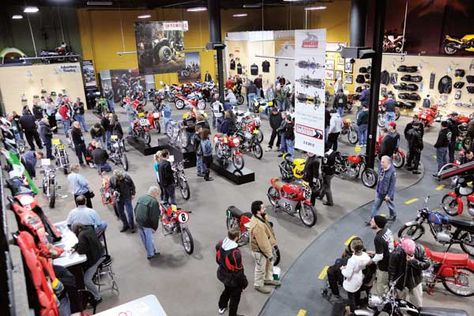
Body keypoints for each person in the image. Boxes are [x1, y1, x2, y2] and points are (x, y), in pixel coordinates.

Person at [249, 201, 280, 294]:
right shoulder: (258, 226)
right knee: (260, 268)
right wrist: (269, 254)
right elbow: (263, 243)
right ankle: (258, 285)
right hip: (260, 251)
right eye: (262, 208)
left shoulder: (262, 216)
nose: (265, 208)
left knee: (269, 265)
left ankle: (267, 279)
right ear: (258, 211)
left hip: (265, 249)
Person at [388, 238, 430, 307]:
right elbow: (391, 269)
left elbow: (427, 264)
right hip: (400, 282)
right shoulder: (396, 253)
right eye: (409, 253)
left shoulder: (420, 249)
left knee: (418, 303)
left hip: (415, 281)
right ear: (404, 250)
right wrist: (391, 283)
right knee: (397, 303)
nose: (411, 254)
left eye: (412, 253)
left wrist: (413, 261)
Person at [216, 227, 248, 316]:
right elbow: (239, 272)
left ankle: (221, 306)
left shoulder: (221, 244)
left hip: (222, 274)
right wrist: (244, 283)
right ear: (237, 237)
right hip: (233, 280)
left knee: (227, 290)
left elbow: (218, 260)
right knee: (235, 298)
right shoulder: (235, 253)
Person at [71, 223, 104, 304]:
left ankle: (97, 297)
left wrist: (76, 249)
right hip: (100, 254)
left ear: (78, 229)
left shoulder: (81, 235)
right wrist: (75, 246)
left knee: (86, 280)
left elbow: (81, 250)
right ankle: (92, 294)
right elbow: (82, 244)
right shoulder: (89, 229)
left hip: (95, 259)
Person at [341, 238, 371, 313]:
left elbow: (347, 274)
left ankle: (353, 311)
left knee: (351, 297)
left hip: (352, 282)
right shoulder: (365, 256)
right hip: (359, 277)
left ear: (353, 249)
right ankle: (357, 304)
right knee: (357, 293)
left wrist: (342, 269)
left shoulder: (352, 260)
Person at [369, 215, 394, 296]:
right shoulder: (387, 230)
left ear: (377, 224)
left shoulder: (378, 238)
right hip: (391, 260)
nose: (370, 222)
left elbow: (380, 256)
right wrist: (375, 252)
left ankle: (381, 301)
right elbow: (388, 245)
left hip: (384, 266)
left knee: (381, 285)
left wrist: (370, 261)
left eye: (372, 221)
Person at [134, 186, 161, 259]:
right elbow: (154, 217)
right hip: (146, 224)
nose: (157, 195)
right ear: (154, 193)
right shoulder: (153, 201)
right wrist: (154, 227)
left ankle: (150, 251)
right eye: (157, 193)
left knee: (144, 239)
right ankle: (151, 254)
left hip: (138, 221)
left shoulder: (141, 197)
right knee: (149, 239)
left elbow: (135, 209)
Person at [368, 156, 397, 223]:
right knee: (375, 205)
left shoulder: (392, 172)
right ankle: (372, 220)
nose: (381, 163)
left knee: (390, 205)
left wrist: (389, 195)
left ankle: (393, 215)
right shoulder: (381, 167)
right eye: (381, 161)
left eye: (383, 162)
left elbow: (392, 185)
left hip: (387, 193)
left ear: (388, 163)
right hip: (380, 191)